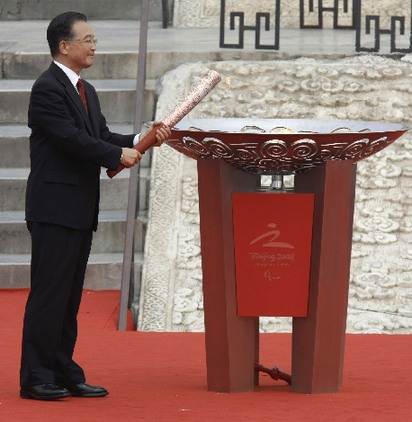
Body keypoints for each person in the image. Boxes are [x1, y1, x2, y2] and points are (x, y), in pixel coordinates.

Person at [20, 11, 171, 401]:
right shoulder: (47, 89)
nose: (94, 46)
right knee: (50, 294)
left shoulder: (86, 90)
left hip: (79, 208)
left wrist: (143, 139)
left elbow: (100, 136)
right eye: (86, 39)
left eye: (94, 39)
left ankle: (62, 368)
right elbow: (72, 140)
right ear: (63, 45)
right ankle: (36, 375)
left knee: (69, 297)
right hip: (54, 207)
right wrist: (118, 155)